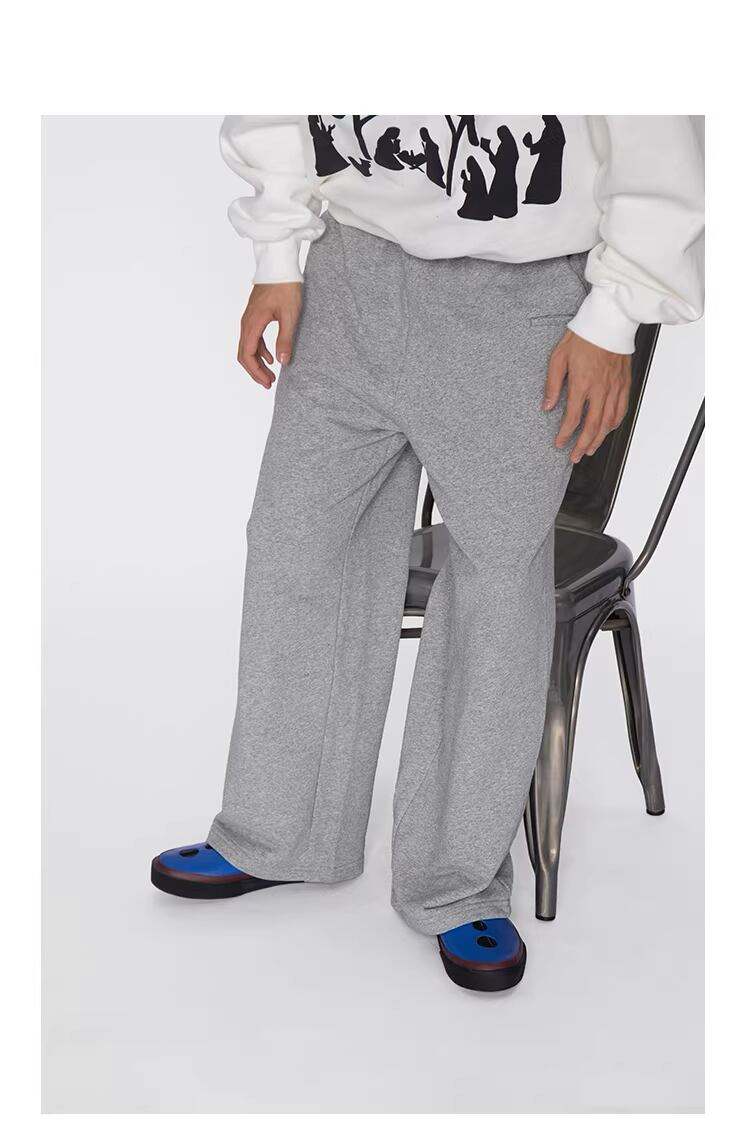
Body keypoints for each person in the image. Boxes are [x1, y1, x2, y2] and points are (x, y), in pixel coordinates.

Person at [150, 115, 704, 992]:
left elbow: (659, 123)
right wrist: (276, 255)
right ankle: (281, 832)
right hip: (349, 268)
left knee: (495, 584)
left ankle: (456, 884)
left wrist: (614, 314)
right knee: (297, 546)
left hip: (521, 293)